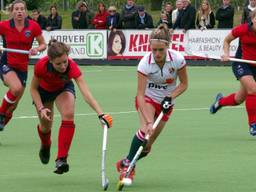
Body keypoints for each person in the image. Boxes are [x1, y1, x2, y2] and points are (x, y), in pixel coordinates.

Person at [116, 24, 188, 185]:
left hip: (167, 104)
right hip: (147, 99)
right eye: (154, 50)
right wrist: (149, 121)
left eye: (161, 50)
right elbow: (140, 95)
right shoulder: (144, 64)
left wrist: (170, 97)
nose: (157, 54)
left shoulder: (178, 60)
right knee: (145, 131)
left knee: (147, 148)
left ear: (168, 46)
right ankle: (128, 167)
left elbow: (184, 84)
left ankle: (125, 161)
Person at [30, 39, 113, 174]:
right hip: (43, 92)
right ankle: (46, 145)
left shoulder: (72, 66)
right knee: (46, 127)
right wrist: (41, 108)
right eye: (58, 64)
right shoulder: (41, 65)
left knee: (68, 114)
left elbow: (86, 93)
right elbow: (33, 89)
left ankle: (61, 159)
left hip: (63, 88)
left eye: (65, 61)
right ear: (50, 61)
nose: (63, 66)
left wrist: (100, 114)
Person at [0, 0, 46, 131]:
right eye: (16, 9)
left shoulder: (33, 26)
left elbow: (43, 44)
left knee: (13, 106)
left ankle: (2, 121)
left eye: (22, 9)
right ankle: (0, 114)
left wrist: (37, 49)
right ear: (12, 11)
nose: (19, 11)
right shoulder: (4, 25)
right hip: (6, 63)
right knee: (16, 88)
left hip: (22, 67)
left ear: (25, 12)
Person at [210, 9, 256, 136]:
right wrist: (226, 54)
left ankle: (220, 102)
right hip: (242, 63)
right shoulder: (243, 29)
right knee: (253, 89)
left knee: (240, 98)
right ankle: (253, 125)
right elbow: (227, 40)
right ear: (253, 19)